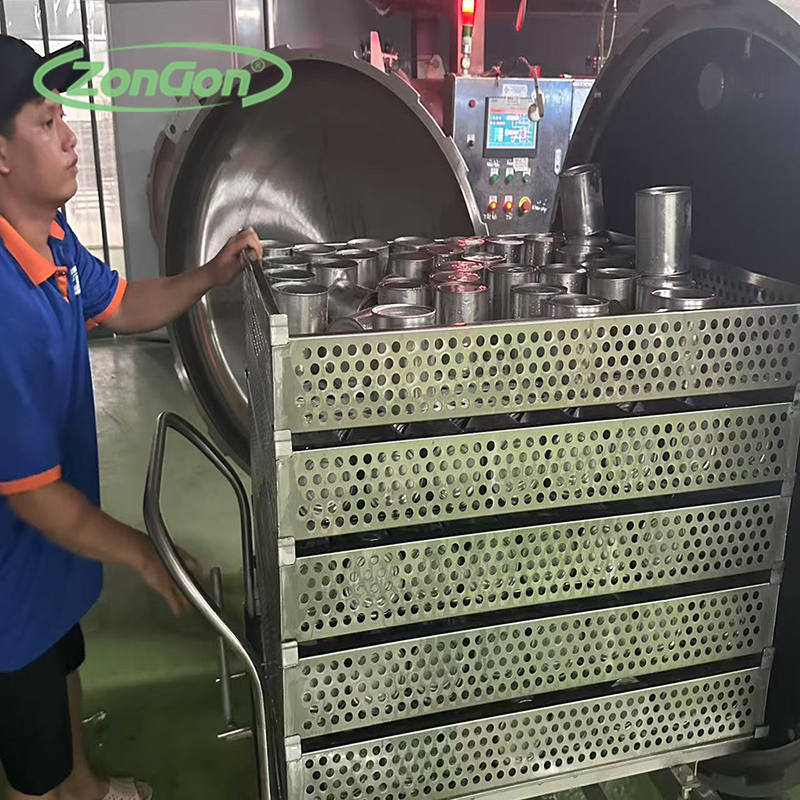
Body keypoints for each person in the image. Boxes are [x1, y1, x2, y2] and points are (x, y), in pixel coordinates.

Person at [0, 36, 263, 800]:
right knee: (33, 759)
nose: (70, 136)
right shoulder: (5, 306)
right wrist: (144, 551)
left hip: (43, 566)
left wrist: (211, 273)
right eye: (47, 123)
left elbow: (122, 305)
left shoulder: (49, 240)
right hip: (9, 583)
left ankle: (86, 786)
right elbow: (33, 496)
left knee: (64, 662)